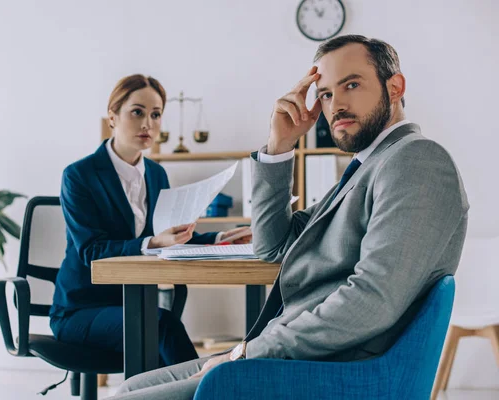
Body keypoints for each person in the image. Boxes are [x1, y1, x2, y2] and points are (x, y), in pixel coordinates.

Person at [109, 35, 469, 399]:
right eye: (325, 94)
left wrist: (249, 351)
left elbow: (371, 299)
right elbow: (274, 244)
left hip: (333, 368)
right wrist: (279, 149)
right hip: (305, 353)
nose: (336, 105)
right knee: (131, 386)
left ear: (395, 87)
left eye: (352, 84)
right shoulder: (370, 166)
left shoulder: (415, 160)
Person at [49, 74, 252, 367]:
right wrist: (153, 242)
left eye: (156, 114)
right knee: (161, 326)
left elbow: (168, 236)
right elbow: (91, 250)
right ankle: (205, 389)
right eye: (137, 112)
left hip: (134, 305)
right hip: (80, 310)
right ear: (112, 118)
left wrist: (220, 238)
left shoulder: (156, 174)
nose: (148, 123)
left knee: (157, 330)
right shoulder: (79, 175)